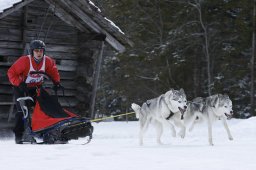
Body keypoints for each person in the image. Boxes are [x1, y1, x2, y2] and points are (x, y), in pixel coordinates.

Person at [7, 40, 61, 144]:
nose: (39, 53)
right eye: (36, 51)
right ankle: (19, 135)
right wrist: (19, 83)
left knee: (45, 107)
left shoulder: (48, 61)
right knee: (22, 111)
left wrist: (57, 82)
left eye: (41, 51)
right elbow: (11, 73)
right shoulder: (24, 61)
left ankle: (46, 132)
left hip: (36, 87)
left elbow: (53, 71)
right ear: (32, 52)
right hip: (21, 87)